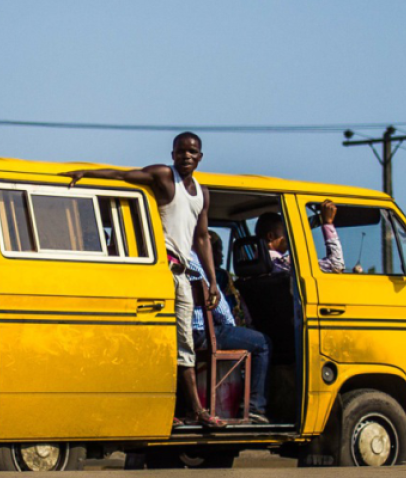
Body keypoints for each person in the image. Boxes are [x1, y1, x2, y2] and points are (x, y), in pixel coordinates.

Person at [61, 132, 225, 428]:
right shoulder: (164, 176)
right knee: (156, 342)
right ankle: (178, 410)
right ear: (172, 154)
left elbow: (201, 238)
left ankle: (194, 411)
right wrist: (87, 172)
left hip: (182, 276)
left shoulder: (202, 192)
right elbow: (124, 175)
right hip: (159, 270)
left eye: (192, 152)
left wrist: (213, 281)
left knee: (184, 344)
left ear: (201, 157)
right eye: (181, 151)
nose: (186, 156)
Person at [188, 253, 271, 424]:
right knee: (263, 342)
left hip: (184, 333)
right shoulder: (195, 261)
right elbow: (221, 309)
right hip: (202, 332)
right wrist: (232, 329)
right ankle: (255, 407)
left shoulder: (175, 259)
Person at [255, 200, 344, 273]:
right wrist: (327, 223)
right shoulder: (277, 263)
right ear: (270, 236)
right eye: (285, 232)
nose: (289, 236)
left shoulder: (255, 265)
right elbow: (335, 265)